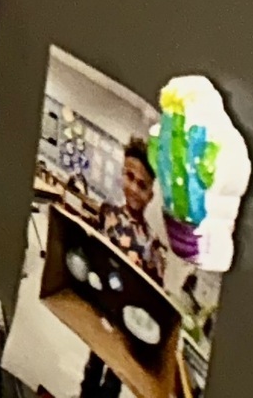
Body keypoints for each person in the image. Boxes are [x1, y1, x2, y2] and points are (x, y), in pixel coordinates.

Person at [78, 140, 169, 398]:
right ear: (121, 173)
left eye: (142, 185)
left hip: (129, 323)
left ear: (151, 195)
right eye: (129, 176)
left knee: (115, 378)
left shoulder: (151, 243)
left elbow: (155, 291)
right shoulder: (108, 214)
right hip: (102, 309)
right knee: (93, 366)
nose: (134, 188)